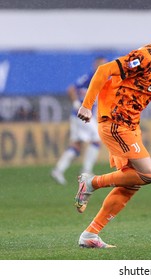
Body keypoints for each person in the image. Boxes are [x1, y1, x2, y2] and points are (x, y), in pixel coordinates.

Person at [74, 13, 151, 248]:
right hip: (114, 122)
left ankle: (90, 235)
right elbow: (103, 71)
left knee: (132, 182)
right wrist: (86, 106)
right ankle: (91, 182)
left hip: (131, 126)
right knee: (149, 174)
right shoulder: (144, 56)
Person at [51, 56, 107, 185]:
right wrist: (77, 103)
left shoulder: (102, 78)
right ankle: (86, 171)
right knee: (97, 138)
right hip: (82, 114)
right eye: (101, 64)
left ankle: (58, 170)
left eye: (105, 64)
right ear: (95, 64)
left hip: (80, 115)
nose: (103, 67)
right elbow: (71, 89)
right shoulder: (91, 76)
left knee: (77, 145)